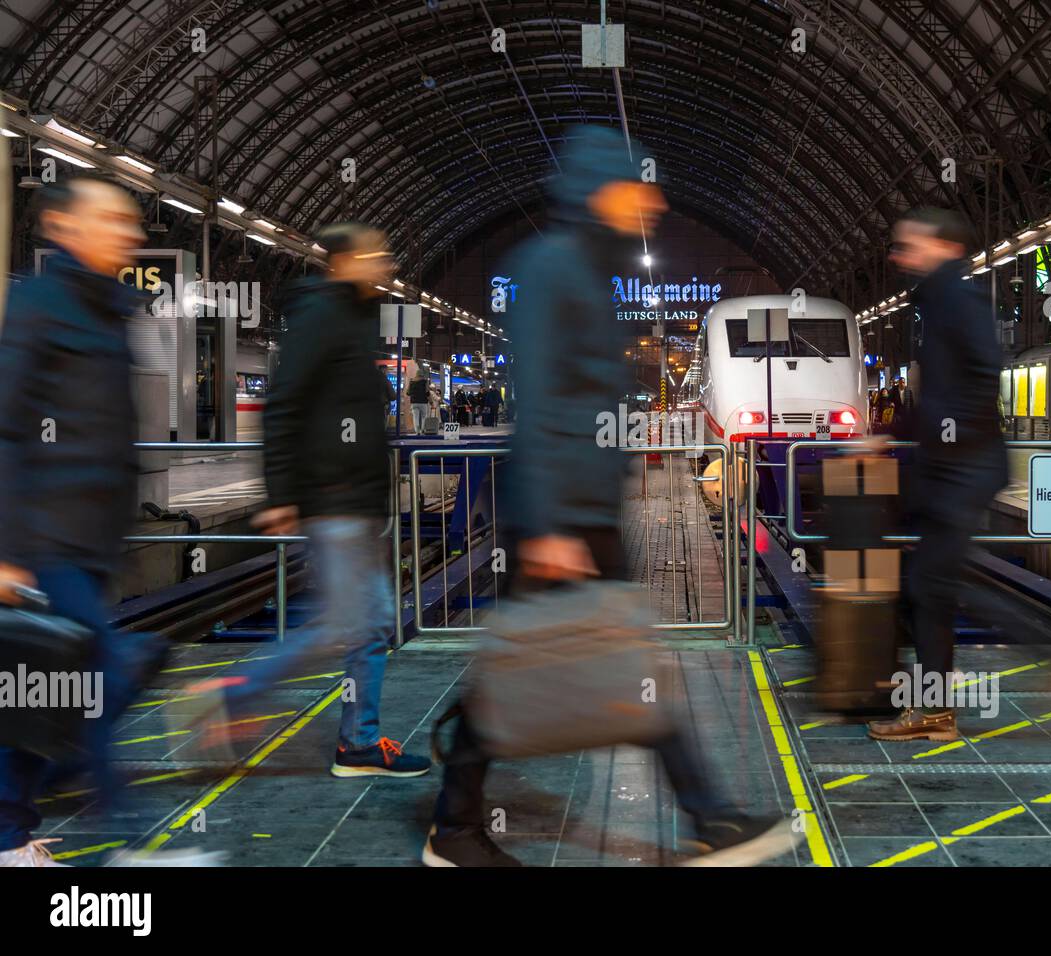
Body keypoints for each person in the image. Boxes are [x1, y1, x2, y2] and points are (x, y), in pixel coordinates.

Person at [426, 125, 790, 867]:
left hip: (584, 505)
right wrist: (548, 525)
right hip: (562, 513)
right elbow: (543, 399)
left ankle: (704, 818)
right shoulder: (553, 268)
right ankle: (461, 827)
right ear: (600, 189)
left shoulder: (585, 267)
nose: (652, 200)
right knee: (543, 663)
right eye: (637, 185)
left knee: (617, 659)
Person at [182, 223, 429, 780]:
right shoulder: (323, 315)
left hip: (357, 503)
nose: (382, 262)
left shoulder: (358, 318)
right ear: (342, 261)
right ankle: (233, 696)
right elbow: (285, 404)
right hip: (332, 499)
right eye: (371, 255)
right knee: (344, 624)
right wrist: (281, 495)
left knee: (369, 623)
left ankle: (358, 743)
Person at [0, 176, 174, 866]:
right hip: (46, 536)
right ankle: (126, 843)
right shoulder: (39, 301)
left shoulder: (114, 308)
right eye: (111, 220)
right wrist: (7, 551)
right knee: (90, 673)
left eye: (132, 222)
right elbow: (7, 430)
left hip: (95, 540)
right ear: (64, 227)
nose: (129, 233)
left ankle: (14, 832)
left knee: (49, 688)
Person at [869, 207, 1008, 743]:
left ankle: (936, 712)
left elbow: (980, 373)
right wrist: (891, 430)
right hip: (954, 469)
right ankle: (932, 709)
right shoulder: (938, 302)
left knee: (930, 586)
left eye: (911, 245)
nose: (900, 256)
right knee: (925, 587)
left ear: (946, 248)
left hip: (961, 471)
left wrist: (949, 440)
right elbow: (940, 393)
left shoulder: (957, 298)